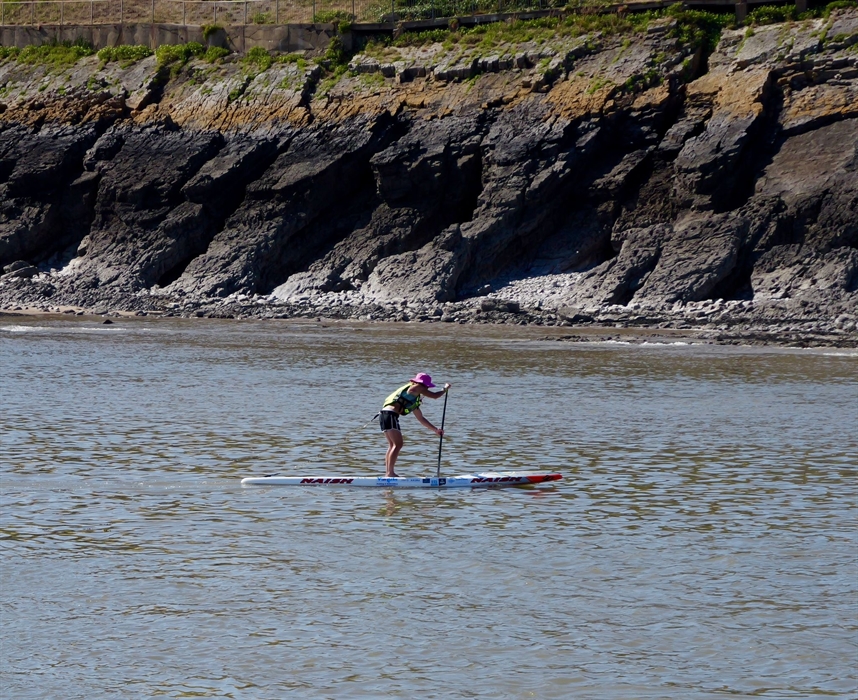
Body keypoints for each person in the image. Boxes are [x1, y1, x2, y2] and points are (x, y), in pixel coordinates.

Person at [379, 373, 451, 477]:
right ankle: (390, 473)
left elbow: (421, 419)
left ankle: (388, 473)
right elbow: (435, 396)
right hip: (390, 415)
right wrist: (445, 389)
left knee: (392, 445)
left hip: (385, 415)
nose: (425, 389)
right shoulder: (417, 387)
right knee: (397, 444)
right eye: (426, 386)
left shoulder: (412, 400)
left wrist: (435, 430)